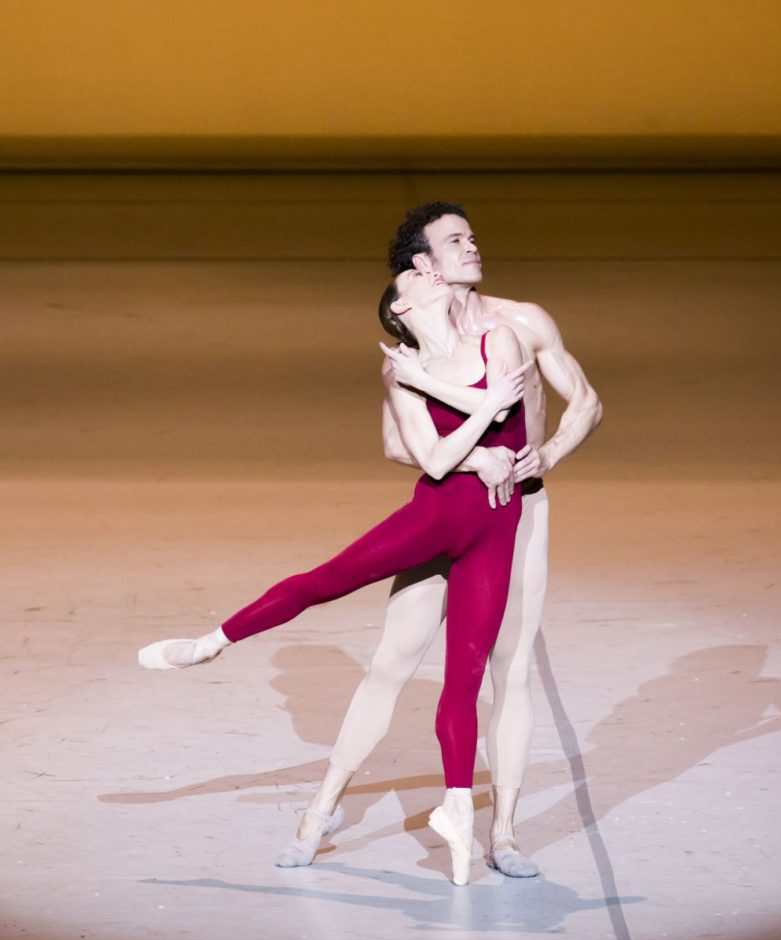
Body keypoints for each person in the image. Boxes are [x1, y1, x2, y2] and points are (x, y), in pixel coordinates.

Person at [139, 268, 528, 885]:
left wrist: (437, 389)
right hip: (432, 520)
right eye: (418, 274)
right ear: (402, 307)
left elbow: (512, 411)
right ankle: (210, 644)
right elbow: (431, 456)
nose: (432, 274)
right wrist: (481, 432)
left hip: (495, 530)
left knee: (466, 676)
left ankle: (459, 811)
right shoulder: (399, 372)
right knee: (324, 583)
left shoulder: (495, 340)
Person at [283, 202, 603, 878]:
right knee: (392, 660)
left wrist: (547, 455)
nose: (471, 245)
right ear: (421, 266)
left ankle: (505, 835)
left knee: (508, 673)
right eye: (454, 240)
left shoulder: (523, 321)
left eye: (472, 235)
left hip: (520, 513)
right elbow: (400, 445)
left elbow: (587, 403)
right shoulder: (412, 349)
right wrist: (466, 458)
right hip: (447, 512)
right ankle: (321, 808)